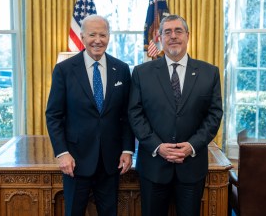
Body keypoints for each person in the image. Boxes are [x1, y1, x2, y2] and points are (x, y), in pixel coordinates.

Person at [128, 14, 223, 216]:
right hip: (153, 166)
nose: (173, 36)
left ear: (187, 36)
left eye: (178, 31)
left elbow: (214, 115)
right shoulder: (141, 73)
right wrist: (157, 146)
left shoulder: (209, 73)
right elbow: (135, 114)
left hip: (191, 166)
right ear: (159, 37)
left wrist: (192, 146)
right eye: (167, 32)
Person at [46, 15, 135, 216]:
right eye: (92, 34)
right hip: (75, 161)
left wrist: (128, 149)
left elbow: (126, 115)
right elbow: (54, 115)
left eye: (102, 34)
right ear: (82, 36)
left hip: (111, 161)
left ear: (109, 37)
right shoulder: (64, 70)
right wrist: (62, 153)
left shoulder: (121, 69)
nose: (98, 40)